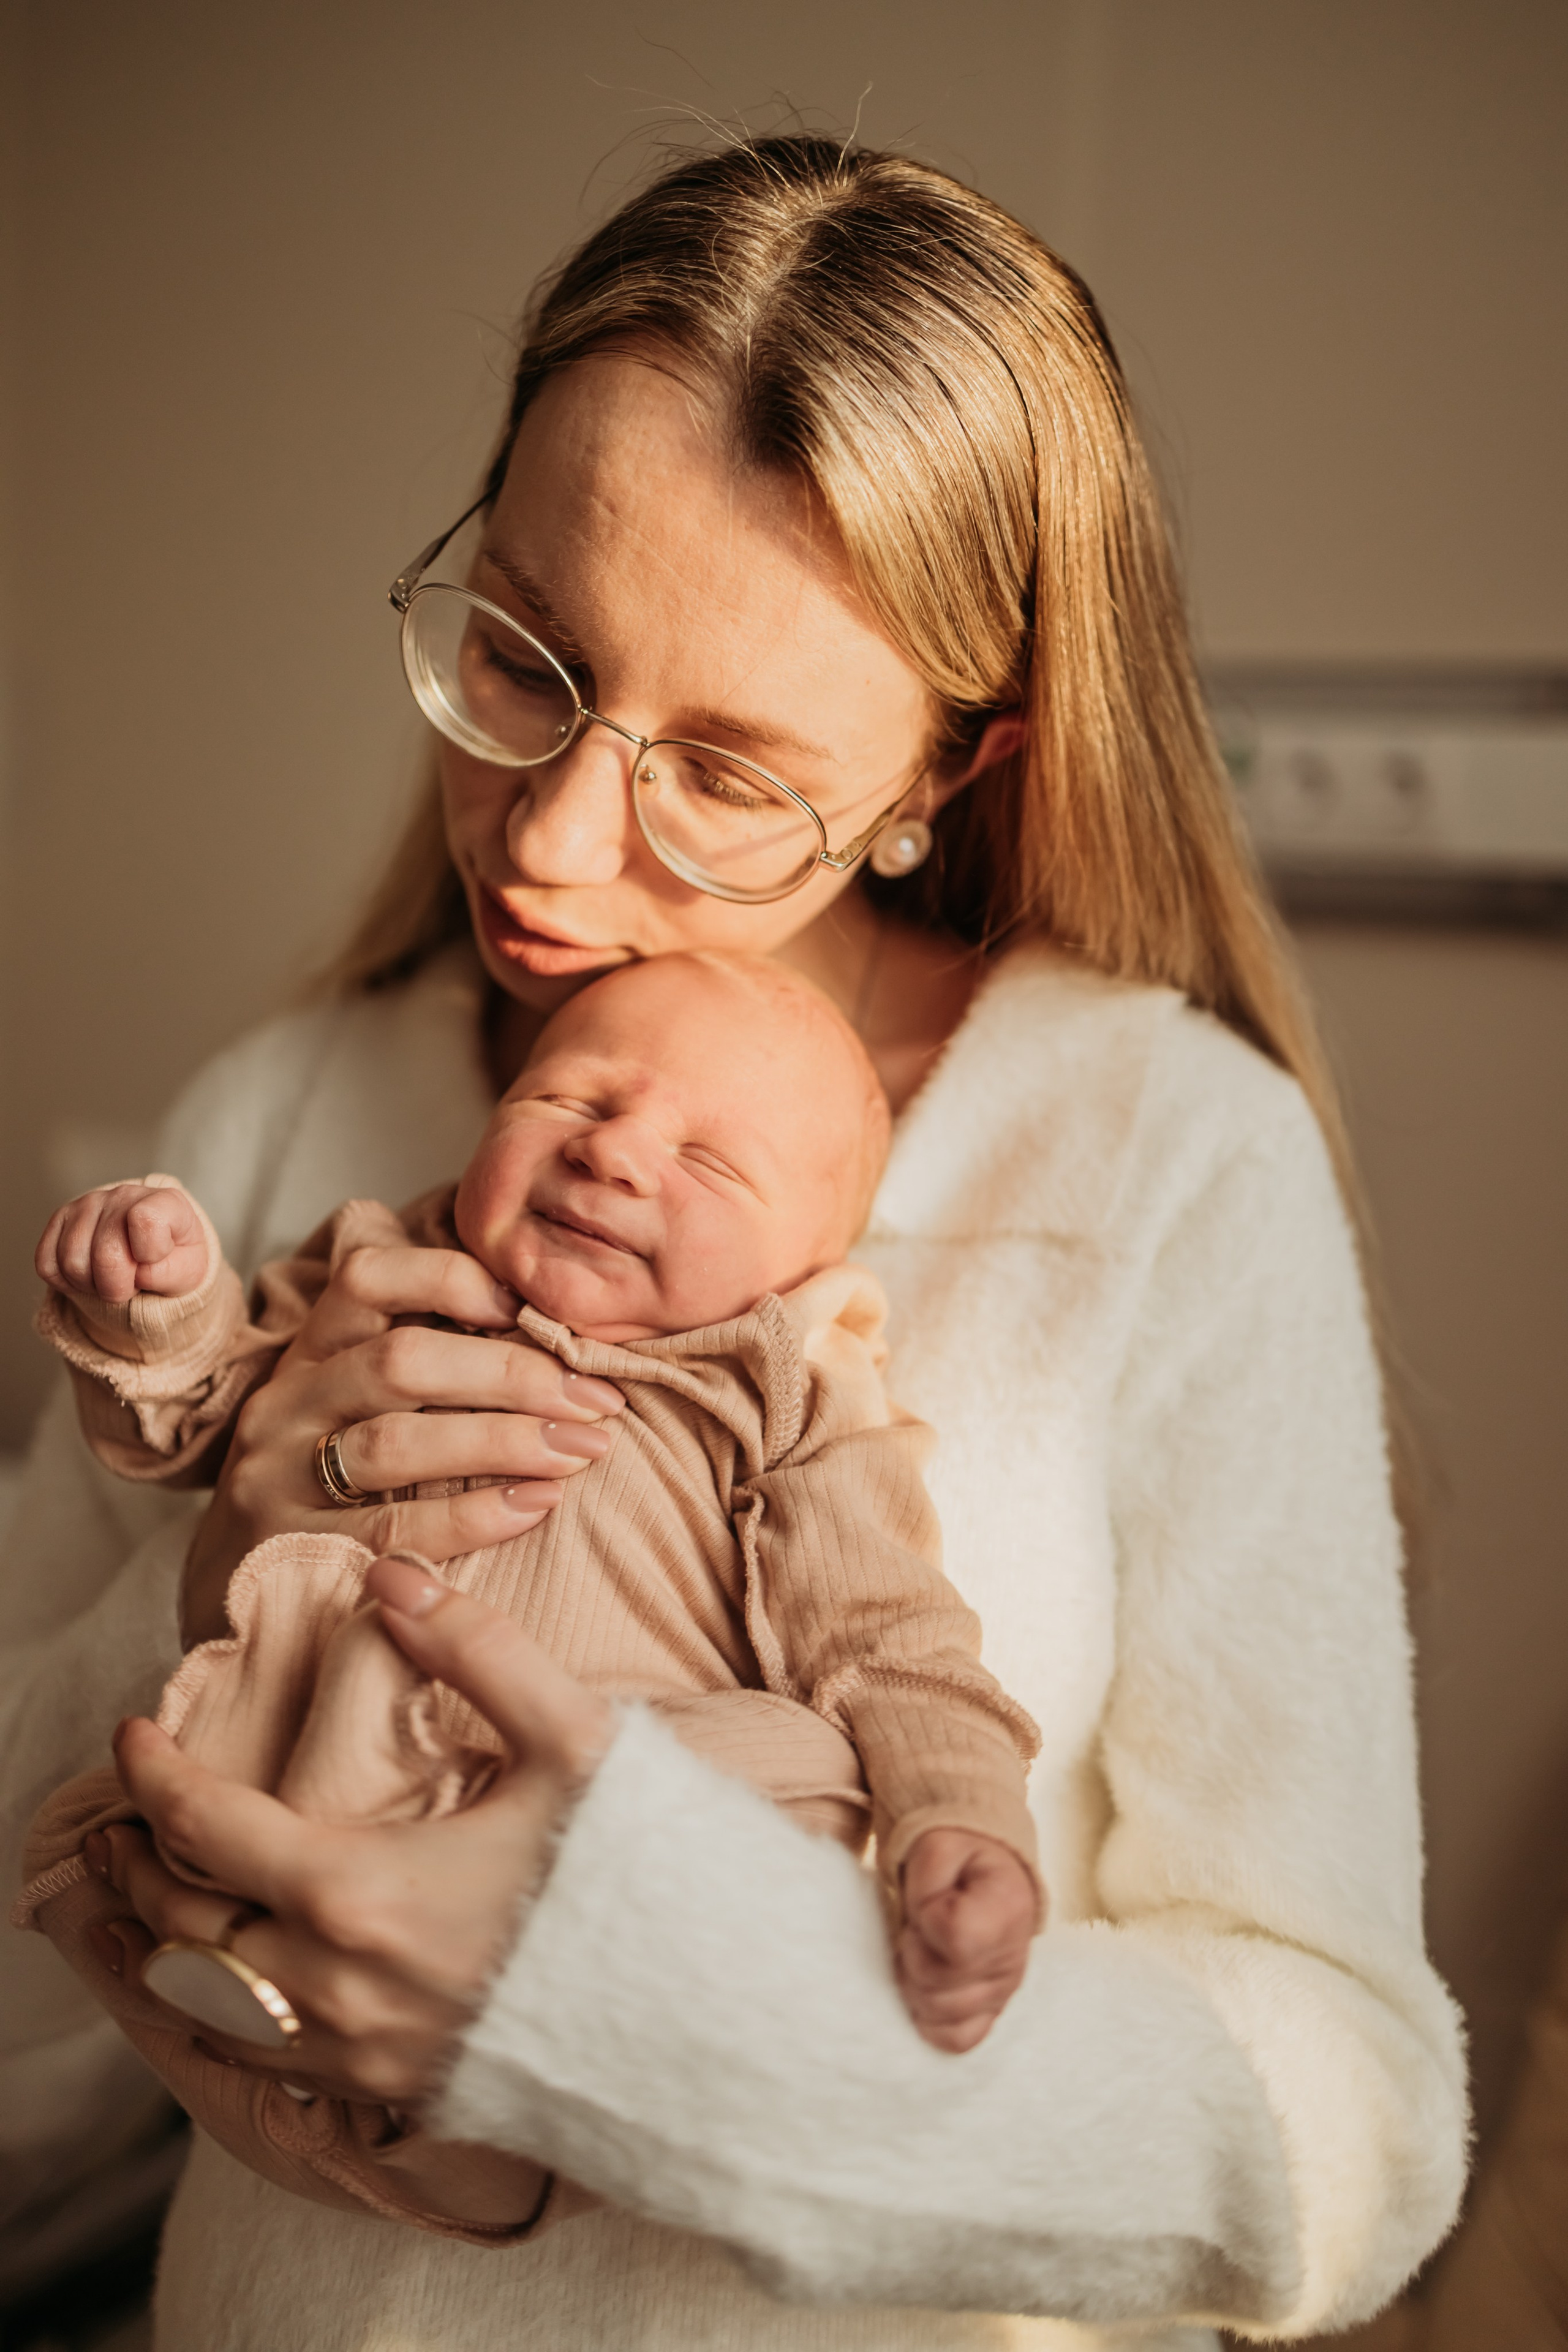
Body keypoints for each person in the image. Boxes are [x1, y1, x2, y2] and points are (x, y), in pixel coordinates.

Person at [0, 133, 1466, 2350]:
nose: (558, 842)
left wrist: (648, 2006)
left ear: (944, 774)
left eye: (730, 767)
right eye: (525, 653)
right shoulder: (293, 1116)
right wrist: (198, 1602)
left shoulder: (1163, 1160)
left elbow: (1354, 2140)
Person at [24, 951, 1042, 2247]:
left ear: (809, 1260)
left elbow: (886, 1640)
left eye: (713, 1166)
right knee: (138, 1797)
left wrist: (958, 1812)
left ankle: (466, 2114)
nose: (613, 1157)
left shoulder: (783, 1396)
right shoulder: (381, 1262)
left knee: (810, 1762)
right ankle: (247, 2005)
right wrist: (157, 1311)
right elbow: (203, 1412)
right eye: (568, 1102)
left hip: (580, 1844)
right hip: (314, 1762)